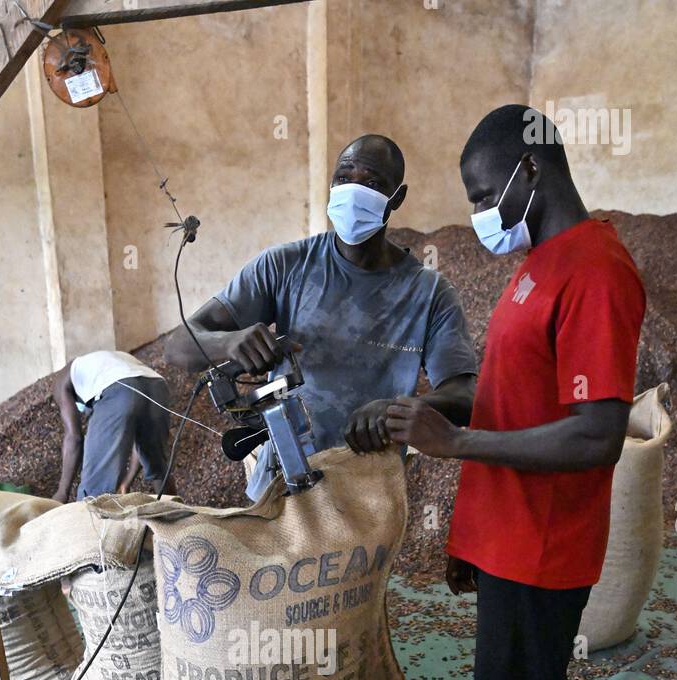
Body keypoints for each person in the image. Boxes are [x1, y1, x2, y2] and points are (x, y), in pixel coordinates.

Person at [386, 105, 646, 680]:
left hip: (543, 544)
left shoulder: (596, 271)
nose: (478, 211)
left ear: (530, 171)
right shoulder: (542, 261)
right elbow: (519, 396)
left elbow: (596, 435)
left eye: (483, 190)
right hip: (507, 537)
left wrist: (455, 448)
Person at [166, 134, 477, 497]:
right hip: (282, 484)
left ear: (397, 197)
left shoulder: (428, 293)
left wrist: (397, 410)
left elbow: (465, 397)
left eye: (373, 183)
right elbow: (177, 347)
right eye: (344, 178)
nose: (353, 190)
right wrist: (228, 341)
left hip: (368, 495)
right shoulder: (284, 266)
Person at [52, 349, 171, 502]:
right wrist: (127, 481)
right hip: (157, 386)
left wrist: (62, 492)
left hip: (117, 387)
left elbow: (73, 438)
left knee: (95, 492)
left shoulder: (60, 382)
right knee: (160, 471)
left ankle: (92, 524)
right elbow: (141, 446)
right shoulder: (105, 363)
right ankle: (178, 521)